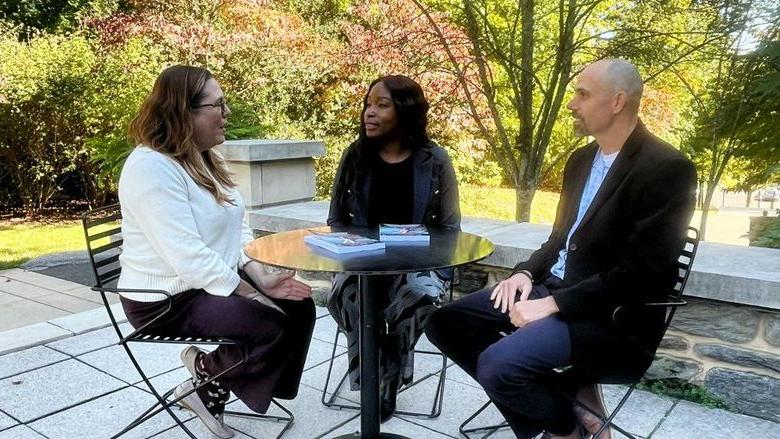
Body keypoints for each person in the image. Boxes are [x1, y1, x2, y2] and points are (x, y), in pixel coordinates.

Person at [425, 59, 697, 439]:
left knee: (499, 364)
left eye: (582, 94)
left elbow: (641, 273)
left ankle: (563, 429)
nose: (572, 104)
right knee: (445, 322)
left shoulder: (667, 168)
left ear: (617, 101)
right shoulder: (581, 160)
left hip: (611, 317)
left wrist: (550, 305)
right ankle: (567, 412)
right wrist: (524, 273)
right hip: (555, 287)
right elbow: (559, 239)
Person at [117, 65, 315, 438]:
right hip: (165, 299)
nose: (227, 114)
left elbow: (234, 227)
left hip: (203, 283)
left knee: (299, 306)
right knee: (269, 322)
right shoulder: (151, 169)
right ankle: (207, 382)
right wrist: (253, 293)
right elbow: (187, 255)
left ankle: (210, 378)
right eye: (218, 105)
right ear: (183, 112)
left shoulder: (205, 156)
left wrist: (259, 274)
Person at [327, 74, 461, 420]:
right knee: (347, 297)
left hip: (418, 264)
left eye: (381, 105)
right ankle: (376, 373)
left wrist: (428, 260)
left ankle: (384, 376)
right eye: (368, 104)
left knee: (419, 294)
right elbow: (336, 220)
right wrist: (352, 247)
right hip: (360, 264)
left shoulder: (435, 161)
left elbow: (449, 229)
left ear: (405, 111)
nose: (369, 113)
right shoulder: (354, 157)